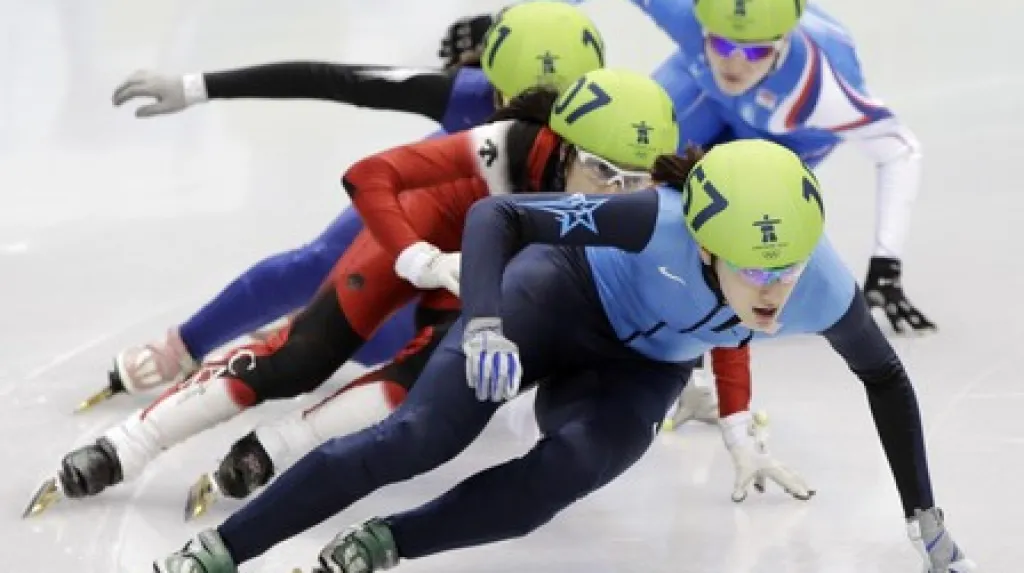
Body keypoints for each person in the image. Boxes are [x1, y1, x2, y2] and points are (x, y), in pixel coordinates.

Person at [152, 128, 976, 572]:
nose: (777, 291)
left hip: (640, 368)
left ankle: (385, 545)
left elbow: (887, 377)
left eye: (789, 266)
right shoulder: (648, 217)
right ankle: (221, 549)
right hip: (553, 300)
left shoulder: (824, 287)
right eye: (756, 269)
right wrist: (481, 322)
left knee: (566, 474)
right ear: (707, 245)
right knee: (418, 437)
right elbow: (496, 220)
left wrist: (924, 516)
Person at [34, 65, 683, 522]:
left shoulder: (651, 201)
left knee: (424, 379)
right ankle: (128, 444)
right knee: (300, 355)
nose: (612, 197)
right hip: (427, 238)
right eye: (599, 170)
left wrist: (701, 372)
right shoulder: (503, 143)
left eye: (635, 181)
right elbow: (371, 173)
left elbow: (705, 269)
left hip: (486, 278)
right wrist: (416, 254)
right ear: (562, 145)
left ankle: (278, 446)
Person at [73, 1, 597, 411]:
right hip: (430, 204)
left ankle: (306, 322)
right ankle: (183, 347)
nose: (529, 127)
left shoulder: (607, 135)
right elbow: (335, 80)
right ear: (490, 77)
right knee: (321, 263)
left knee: (395, 348)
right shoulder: (464, 94)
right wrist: (198, 86)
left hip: (492, 244)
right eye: (512, 105)